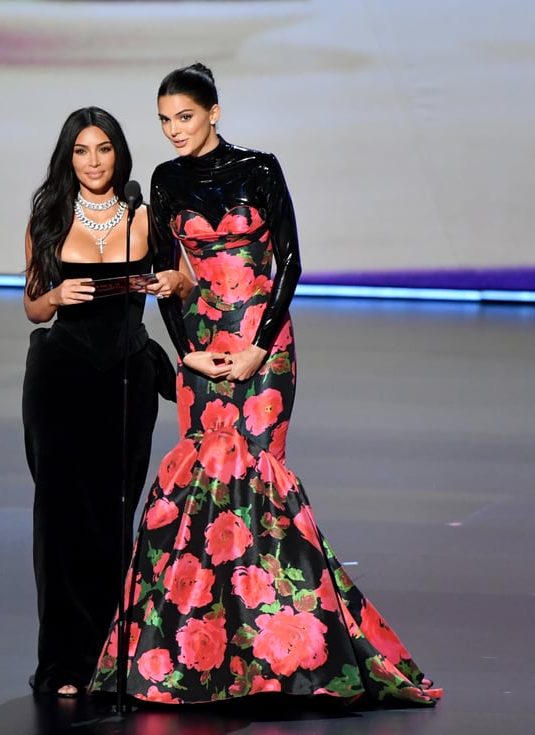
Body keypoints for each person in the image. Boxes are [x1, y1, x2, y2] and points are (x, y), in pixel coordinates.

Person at [89, 65, 442, 707]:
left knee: (259, 479)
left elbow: (291, 262)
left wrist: (256, 346)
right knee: (201, 486)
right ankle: (197, 657)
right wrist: (190, 354)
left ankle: (282, 654)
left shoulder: (260, 168)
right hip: (204, 343)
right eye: (165, 120)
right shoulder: (166, 182)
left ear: (215, 113)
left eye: (185, 117)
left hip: (262, 339)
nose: (174, 131)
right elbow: (163, 273)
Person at [22, 106, 193, 698]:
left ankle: (110, 657)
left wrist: (171, 281)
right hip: (61, 378)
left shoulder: (144, 217)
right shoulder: (49, 215)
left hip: (125, 378)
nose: (93, 162)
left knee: (114, 517)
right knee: (62, 518)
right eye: (81, 151)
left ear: (119, 154)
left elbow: (185, 278)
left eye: (103, 150)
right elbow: (33, 306)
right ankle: (64, 663)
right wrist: (56, 294)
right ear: (68, 157)